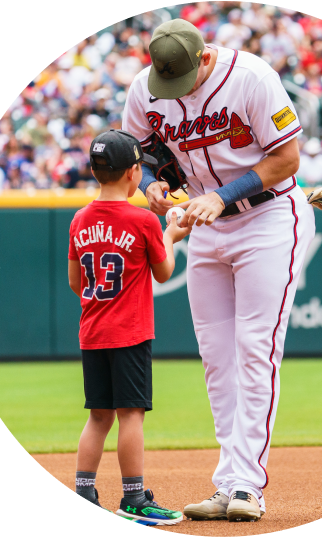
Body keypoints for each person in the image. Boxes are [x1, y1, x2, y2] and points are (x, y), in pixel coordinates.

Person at [122, 19, 316, 522]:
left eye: (181, 78)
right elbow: (135, 153)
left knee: (255, 348)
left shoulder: (251, 76)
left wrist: (222, 194)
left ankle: (247, 486)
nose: (172, 90)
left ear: (204, 58)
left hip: (268, 216)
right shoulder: (145, 88)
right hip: (205, 224)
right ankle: (228, 481)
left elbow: (288, 158)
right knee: (216, 358)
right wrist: (150, 186)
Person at [68, 129, 191, 525]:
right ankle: (134, 497)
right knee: (131, 415)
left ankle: (84, 489)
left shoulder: (80, 219)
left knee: (98, 415)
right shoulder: (142, 220)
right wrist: (171, 234)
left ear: (94, 170)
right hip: (130, 332)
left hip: (93, 331)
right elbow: (164, 271)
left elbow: (76, 283)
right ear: (135, 172)